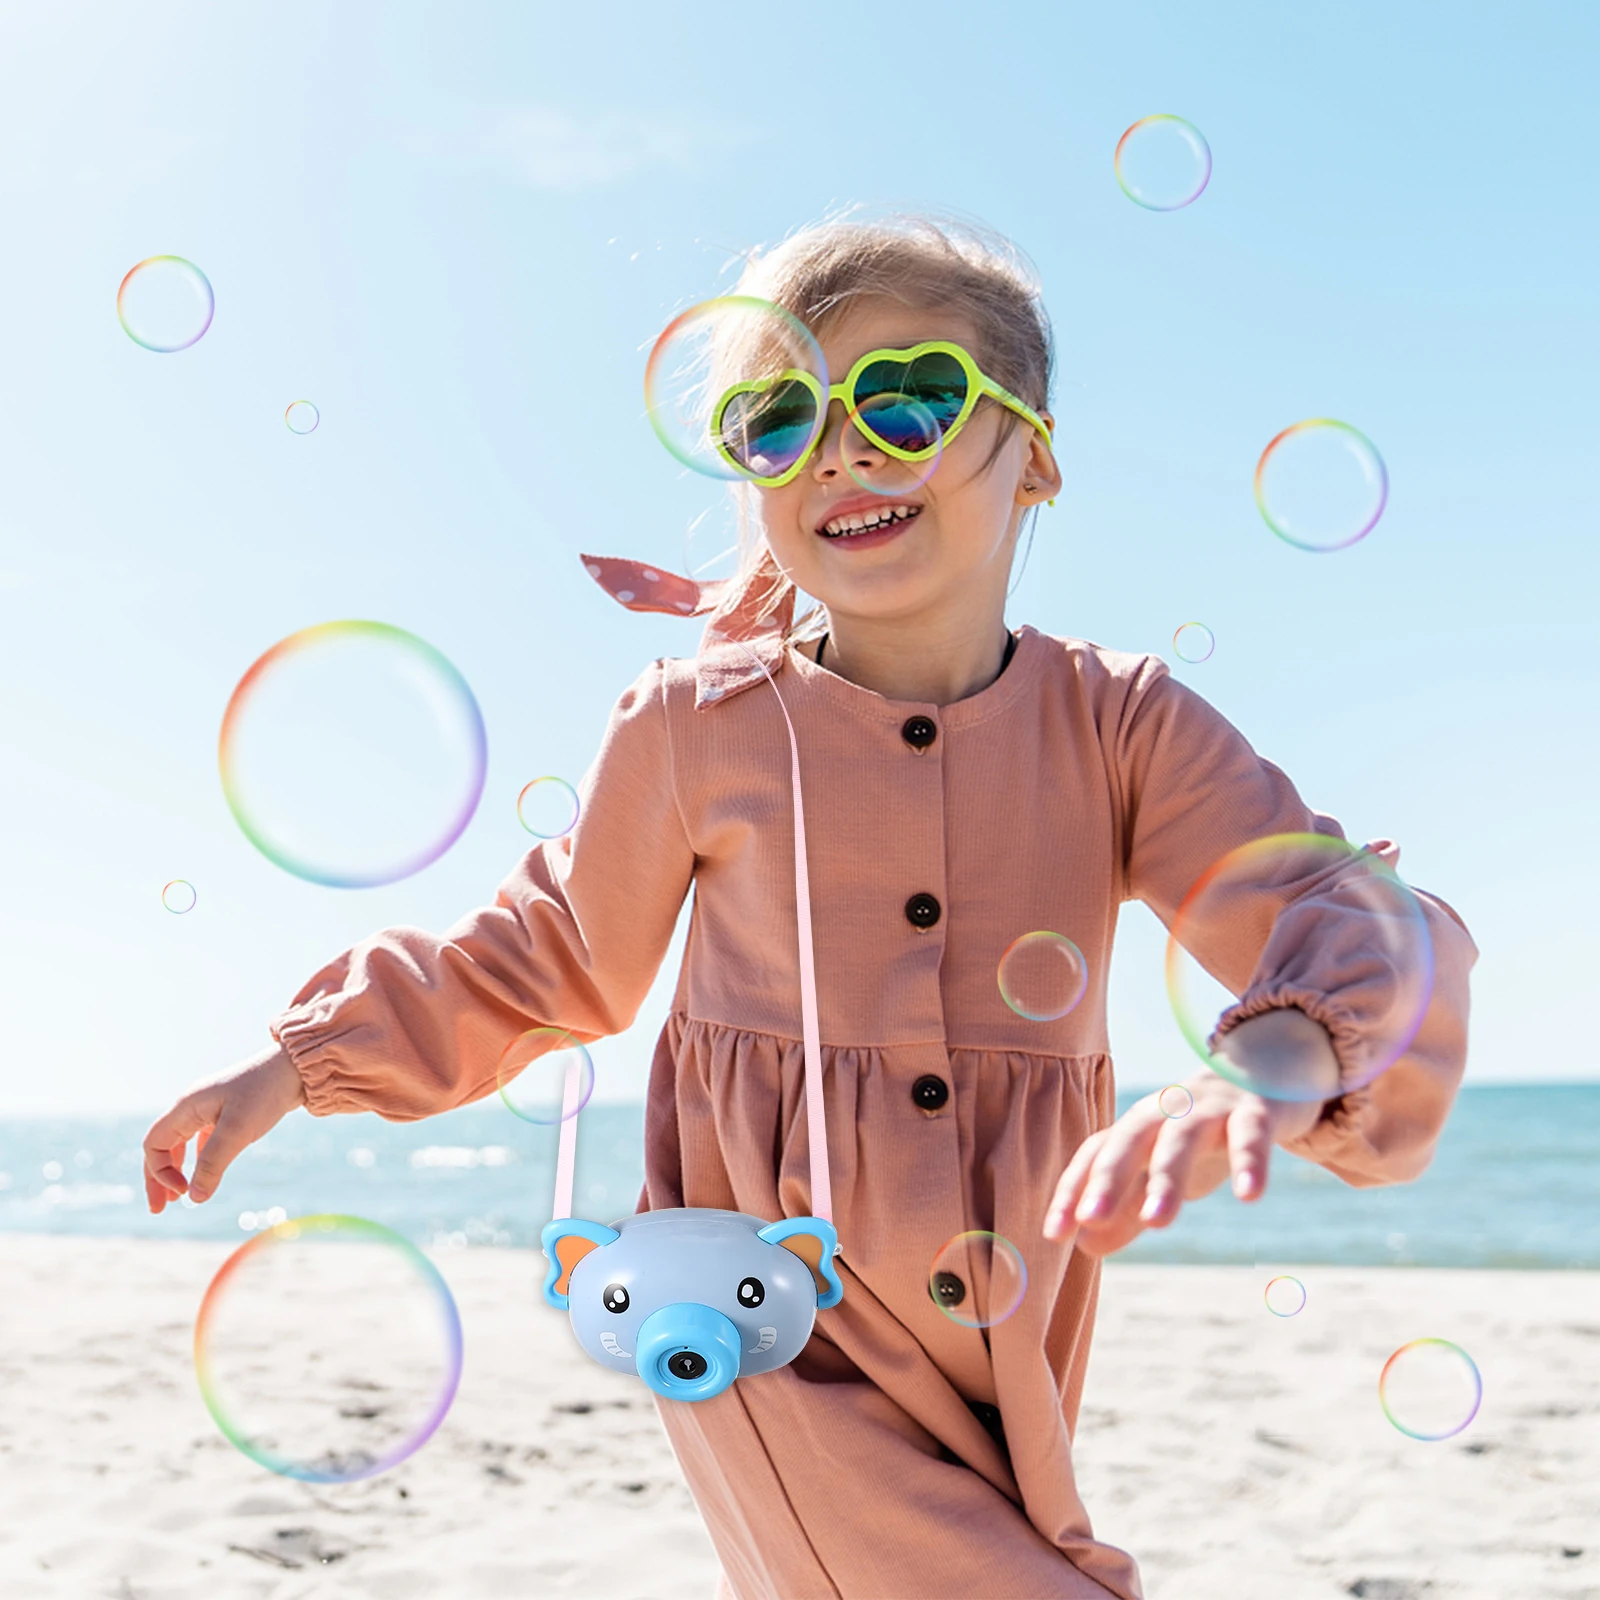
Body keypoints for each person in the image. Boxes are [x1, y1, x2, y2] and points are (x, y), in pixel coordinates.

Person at [142, 214, 1476, 1599]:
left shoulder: (1119, 726)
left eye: (910, 397)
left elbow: (1340, 906)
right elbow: (544, 957)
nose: (843, 448)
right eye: (777, 421)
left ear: (1038, 457)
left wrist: (1268, 1065)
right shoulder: (693, 729)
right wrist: (291, 1069)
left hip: (1009, 1341)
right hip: (766, 1322)